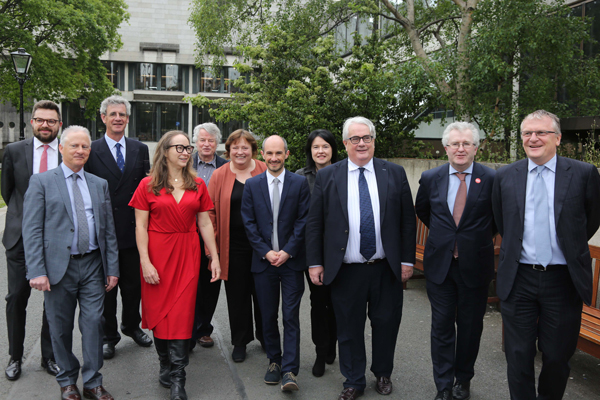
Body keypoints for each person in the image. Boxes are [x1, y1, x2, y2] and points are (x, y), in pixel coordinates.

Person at [306, 116, 417, 400]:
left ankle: (382, 373)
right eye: (355, 139)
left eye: (366, 137)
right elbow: (315, 223)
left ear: (373, 140)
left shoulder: (394, 173)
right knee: (349, 327)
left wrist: (407, 261)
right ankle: (353, 380)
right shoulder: (328, 176)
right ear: (344, 144)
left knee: (386, 323)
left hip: (386, 268)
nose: (361, 143)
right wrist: (315, 262)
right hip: (346, 270)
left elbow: (407, 221)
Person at [492, 110, 600, 400]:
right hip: (519, 278)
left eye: (541, 132)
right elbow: (504, 223)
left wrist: (565, 245)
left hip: (563, 281)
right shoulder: (504, 176)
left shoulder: (583, 173)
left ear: (558, 138)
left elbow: (589, 221)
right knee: (518, 355)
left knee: (556, 356)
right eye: (527, 133)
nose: (533, 138)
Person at [22, 125, 119, 400]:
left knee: (93, 324)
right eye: (74, 146)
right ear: (61, 148)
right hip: (57, 269)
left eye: (85, 146)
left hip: (92, 266)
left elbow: (108, 231)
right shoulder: (42, 181)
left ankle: (92, 382)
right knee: (60, 327)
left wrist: (112, 268)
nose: (80, 151)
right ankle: (66, 380)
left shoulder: (99, 184)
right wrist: (37, 270)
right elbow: (31, 231)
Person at [129, 131, 220, 400]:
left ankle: (179, 378)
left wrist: (214, 257)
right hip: (157, 256)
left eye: (187, 148)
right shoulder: (147, 185)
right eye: (179, 147)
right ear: (164, 151)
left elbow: (204, 223)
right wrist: (145, 262)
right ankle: (164, 364)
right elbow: (141, 227)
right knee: (159, 315)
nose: (185, 152)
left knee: (181, 315)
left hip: (188, 255)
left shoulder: (198, 184)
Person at [415, 122, 496, 400]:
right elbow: (424, 211)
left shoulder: (491, 178)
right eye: (454, 144)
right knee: (441, 326)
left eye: (466, 143)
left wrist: (471, 240)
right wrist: (447, 238)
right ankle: (444, 385)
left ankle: (463, 380)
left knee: (471, 327)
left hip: (476, 266)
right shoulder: (430, 178)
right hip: (440, 266)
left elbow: (496, 219)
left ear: (476, 147)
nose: (460, 149)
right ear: (445, 147)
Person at [84, 95, 152, 360]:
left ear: (127, 118)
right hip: (103, 232)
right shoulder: (91, 149)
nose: (117, 119)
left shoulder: (140, 148)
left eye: (122, 114)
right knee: (107, 288)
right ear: (103, 118)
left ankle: (131, 326)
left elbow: (146, 188)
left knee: (133, 286)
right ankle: (108, 336)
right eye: (112, 114)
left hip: (134, 230)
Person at [241, 135, 310, 392]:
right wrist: (266, 252)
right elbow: (248, 223)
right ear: (262, 155)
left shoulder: (300, 183)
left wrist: (288, 251)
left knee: (290, 316)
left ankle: (290, 369)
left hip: (291, 263)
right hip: (263, 263)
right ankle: (274, 361)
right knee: (268, 315)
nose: (273, 158)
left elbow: (304, 220)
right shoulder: (252, 184)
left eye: (278, 153)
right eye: (269, 153)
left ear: (287, 154)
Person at [1, 100, 60, 380]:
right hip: (20, 239)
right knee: (16, 298)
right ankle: (15, 356)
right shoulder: (13, 151)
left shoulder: (66, 151)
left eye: (51, 121)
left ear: (59, 124)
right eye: (40, 120)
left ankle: (49, 356)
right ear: (32, 122)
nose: (45, 125)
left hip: (56, 240)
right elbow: (7, 191)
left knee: (53, 301)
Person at [207, 129, 266, 363]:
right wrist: (213, 252)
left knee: (265, 295)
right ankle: (240, 341)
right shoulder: (220, 174)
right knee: (237, 296)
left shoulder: (264, 169)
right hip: (233, 246)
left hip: (263, 246)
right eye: (235, 147)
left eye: (245, 147)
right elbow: (209, 212)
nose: (240, 152)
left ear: (252, 150)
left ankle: (266, 336)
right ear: (228, 150)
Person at [295, 129, 339, 377]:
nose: (320, 151)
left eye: (325, 146)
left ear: (333, 148)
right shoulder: (301, 177)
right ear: (310, 151)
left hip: (340, 251)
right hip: (311, 252)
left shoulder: (344, 172)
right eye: (315, 147)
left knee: (337, 302)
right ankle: (321, 351)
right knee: (318, 302)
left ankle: (334, 341)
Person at [190, 123, 228, 350]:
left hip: (215, 231)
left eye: (211, 141)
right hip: (187, 230)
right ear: (195, 142)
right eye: (202, 140)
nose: (206, 144)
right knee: (189, 282)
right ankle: (188, 328)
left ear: (217, 143)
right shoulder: (185, 163)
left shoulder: (226, 167)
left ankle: (204, 329)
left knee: (211, 282)